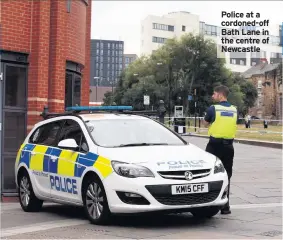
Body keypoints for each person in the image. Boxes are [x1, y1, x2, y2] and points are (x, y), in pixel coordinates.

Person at [203, 85, 238, 215]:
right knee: (227, 175)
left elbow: (205, 123)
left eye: (214, 93)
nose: (213, 96)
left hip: (214, 146)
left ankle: (208, 203)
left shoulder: (214, 109)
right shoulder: (234, 110)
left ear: (220, 95)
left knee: (208, 174)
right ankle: (225, 206)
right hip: (229, 147)